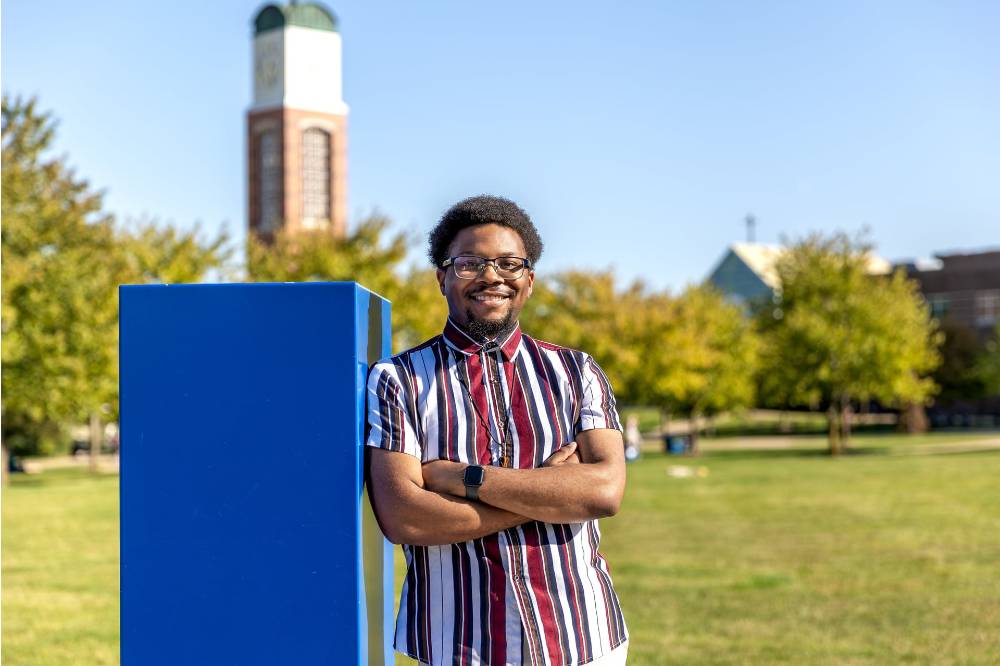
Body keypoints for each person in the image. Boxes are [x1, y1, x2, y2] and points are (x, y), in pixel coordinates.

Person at [366, 195, 629, 665]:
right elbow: (405, 518)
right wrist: (551, 494)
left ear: (529, 280)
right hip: (456, 643)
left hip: (581, 638)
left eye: (510, 263)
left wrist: (464, 479)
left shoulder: (577, 371)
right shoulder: (397, 380)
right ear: (442, 277)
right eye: (470, 263)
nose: (492, 276)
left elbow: (604, 493)